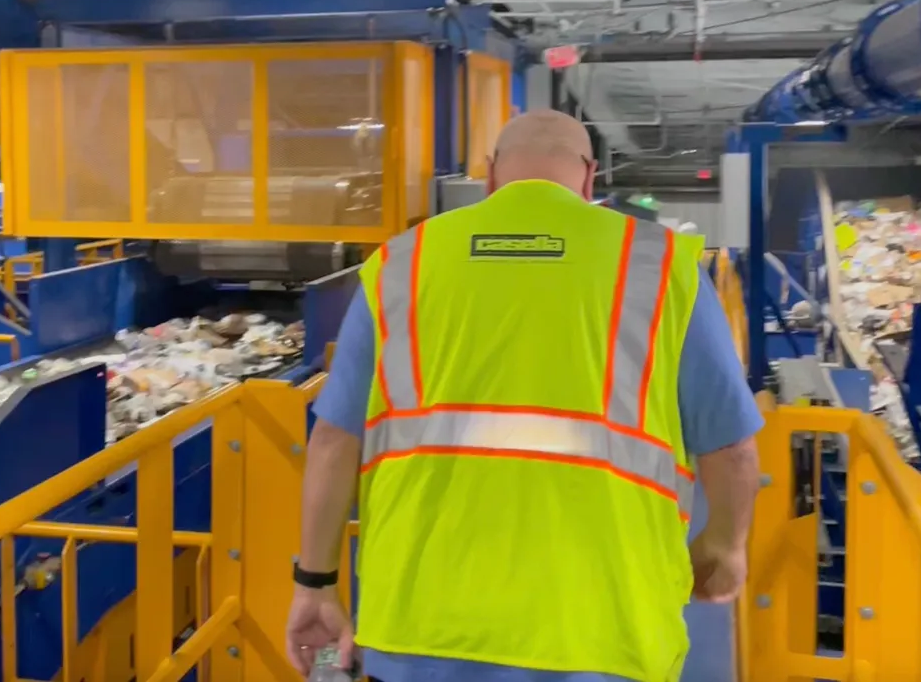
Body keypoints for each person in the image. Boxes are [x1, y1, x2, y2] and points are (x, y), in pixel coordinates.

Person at [286, 109, 762, 682]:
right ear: (589, 178)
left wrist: (315, 583)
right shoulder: (664, 269)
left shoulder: (400, 265)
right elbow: (732, 452)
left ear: (490, 176)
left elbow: (334, 440)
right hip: (604, 637)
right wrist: (723, 547)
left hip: (419, 634)